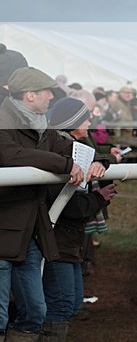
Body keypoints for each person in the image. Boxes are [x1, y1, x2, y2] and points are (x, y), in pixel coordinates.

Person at [0, 68, 89, 341]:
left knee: (35, 312)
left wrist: (97, 161)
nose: (52, 96)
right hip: (5, 230)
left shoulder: (40, 124)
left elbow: (67, 149)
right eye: (46, 91)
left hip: (28, 231)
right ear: (30, 96)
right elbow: (11, 155)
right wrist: (65, 164)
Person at [43, 97, 118, 341]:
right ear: (71, 122)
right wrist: (99, 198)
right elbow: (67, 205)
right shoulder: (61, 150)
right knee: (62, 305)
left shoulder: (74, 147)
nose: (89, 122)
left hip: (67, 240)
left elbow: (98, 155)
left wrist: (103, 159)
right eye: (85, 118)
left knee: (71, 303)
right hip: (57, 240)